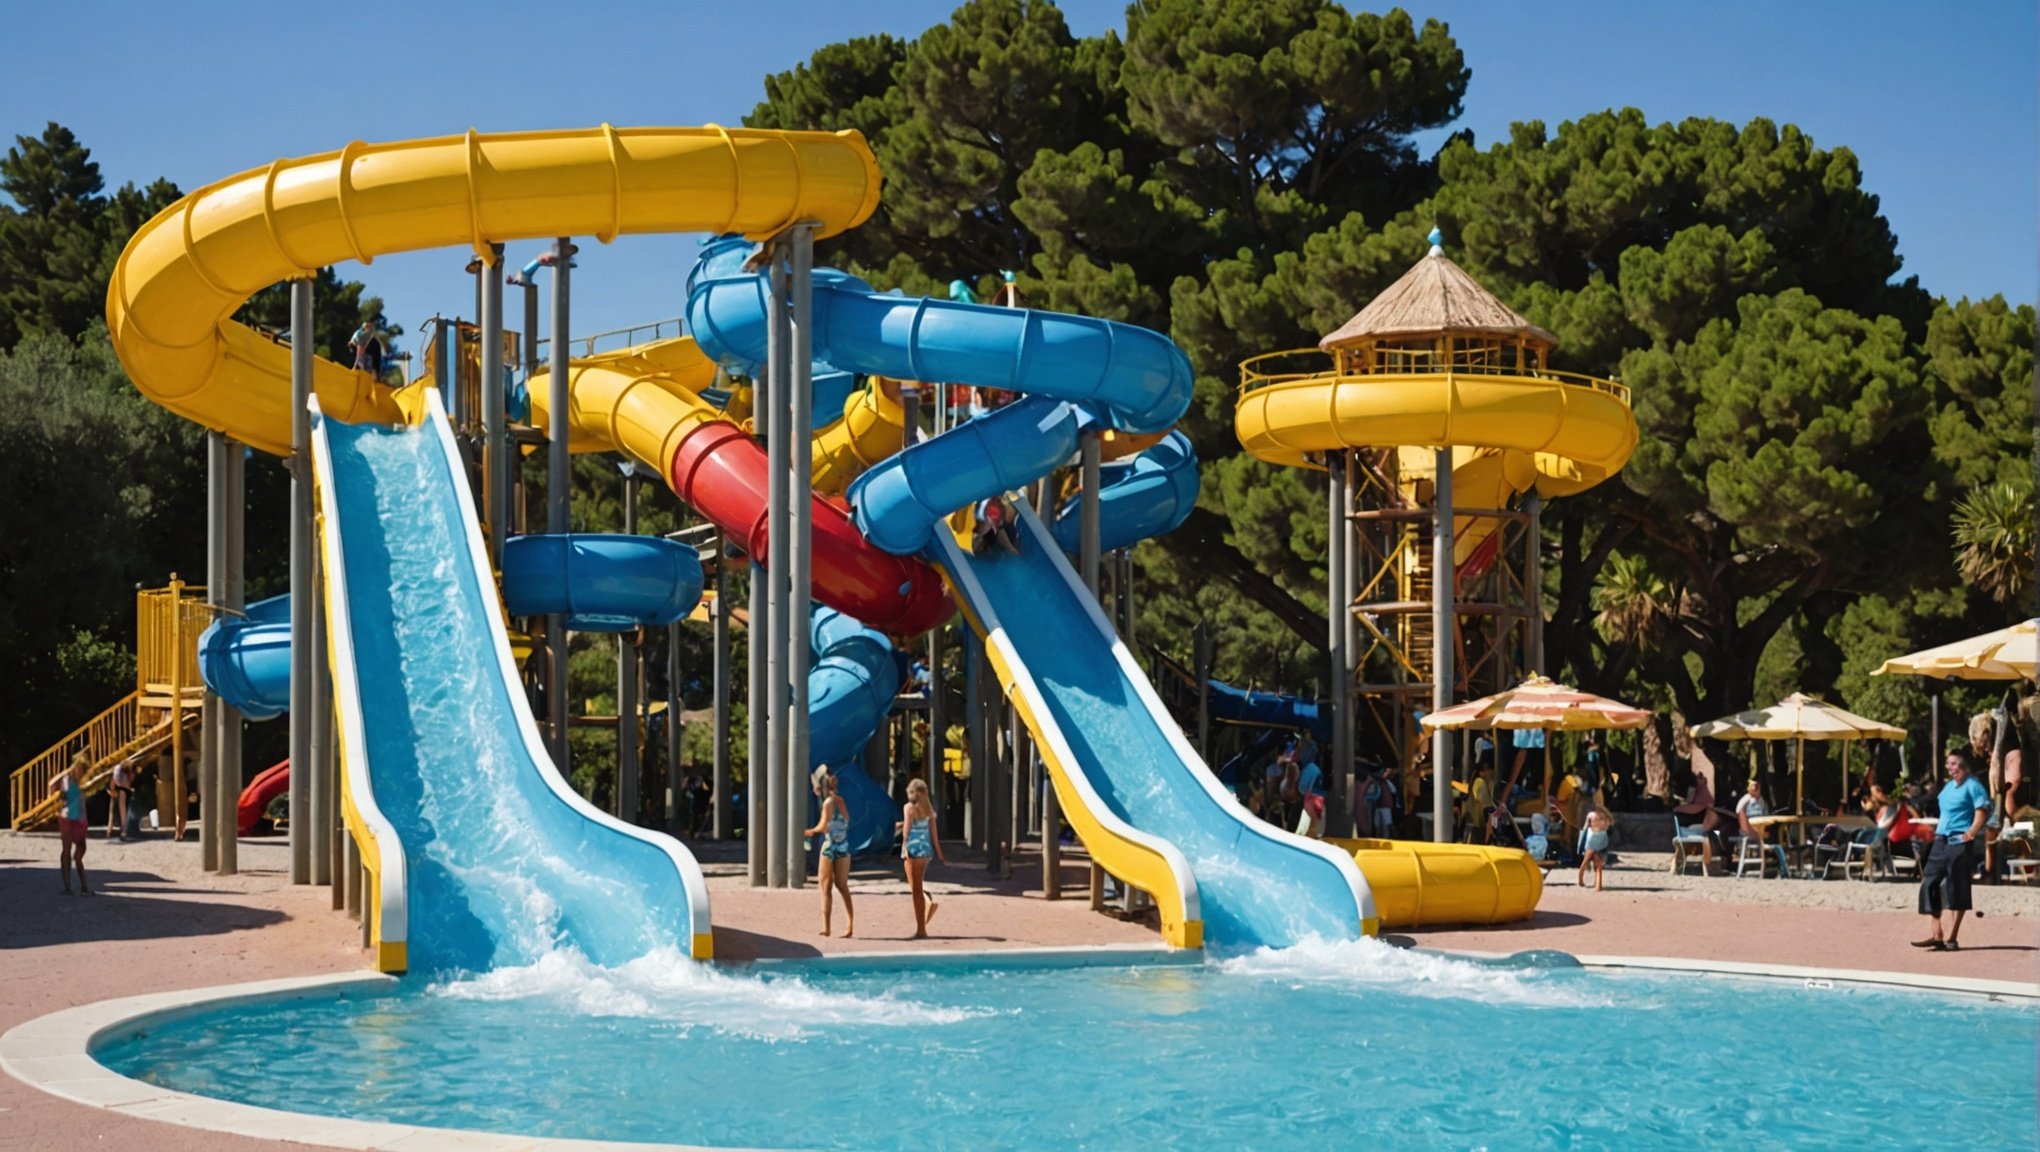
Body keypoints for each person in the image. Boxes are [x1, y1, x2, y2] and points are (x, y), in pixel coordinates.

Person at [1914, 749, 1992, 952]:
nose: (1951, 768)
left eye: (1954, 764)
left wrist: (1973, 831)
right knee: (1929, 883)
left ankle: (1952, 937)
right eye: (1948, 764)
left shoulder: (1974, 786)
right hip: (1941, 840)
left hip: (1960, 841)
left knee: (1957, 888)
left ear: (1964, 766)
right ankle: (1937, 934)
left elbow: (1982, 811)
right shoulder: (1948, 787)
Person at [803, 766, 855, 937]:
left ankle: (827, 927)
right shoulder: (842, 801)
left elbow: (824, 825)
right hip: (844, 847)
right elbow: (846, 822)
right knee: (843, 886)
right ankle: (850, 925)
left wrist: (812, 831)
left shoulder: (827, 803)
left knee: (825, 887)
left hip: (830, 847)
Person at [900, 778, 946, 938]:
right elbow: (934, 834)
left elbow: (907, 829)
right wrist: (940, 853)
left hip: (913, 849)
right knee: (917, 886)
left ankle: (921, 929)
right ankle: (927, 903)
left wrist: (903, 846)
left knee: (915, 890)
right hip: (926, 849)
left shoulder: (908, 808)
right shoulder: (929, 810)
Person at [50, 755, 93, 896]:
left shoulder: (86, 782)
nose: (79, 771)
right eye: (78, 768)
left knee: (80, 852)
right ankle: (68, 886)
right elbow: (51, 786)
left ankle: (84, 886)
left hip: (80, 820)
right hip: (67, 817)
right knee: (66, 850)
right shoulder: (66, 780)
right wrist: (64, 772)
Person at [1673, 768, 1728, 874]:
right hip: (1696, 828)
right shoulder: (1700, 804)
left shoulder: (1678, 810)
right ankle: (1719, 859)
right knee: (1710, 831)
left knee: (1710, 830)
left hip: (1684, 829)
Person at [1578, 808, 1612, 891]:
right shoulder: (1602, 816)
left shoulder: (1595, 815)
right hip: (1595, 843)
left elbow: (1585, 828)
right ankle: (1582, 880)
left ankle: (1595, 884)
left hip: (1597, 843)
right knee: (1589, 863)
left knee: (1595, 864)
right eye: (1594, 820)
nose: (1597, 821)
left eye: (1600, 820)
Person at [106, 755, 133, 842]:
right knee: (120, 806)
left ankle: (120, 829)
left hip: (119, 790)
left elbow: (115, 782)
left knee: (119, 805)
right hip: (118, 790)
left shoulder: (120, 769)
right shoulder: (119, 769)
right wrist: (112, 791)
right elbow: (114, 782)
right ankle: (122, 829)